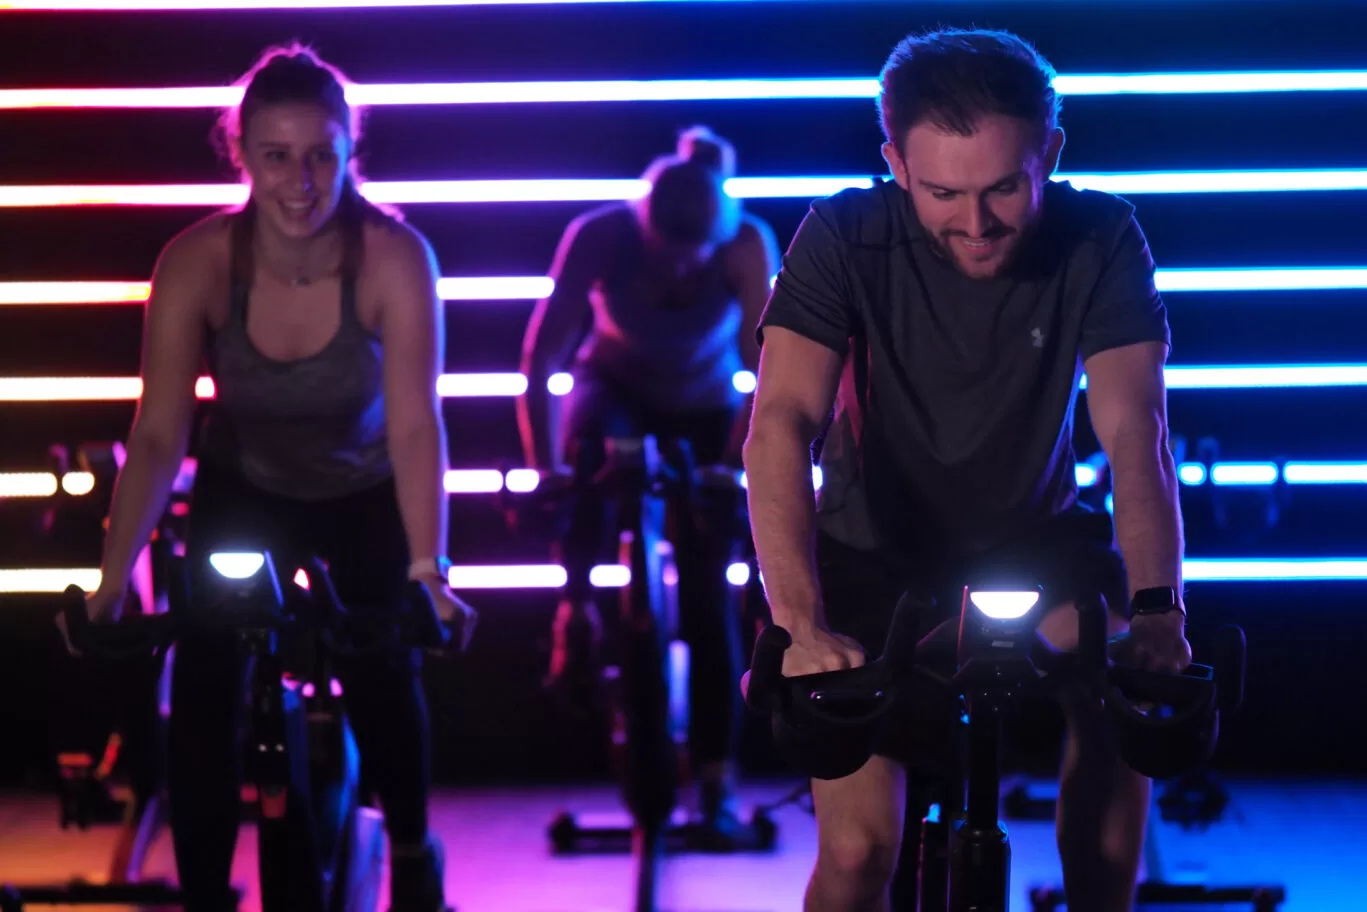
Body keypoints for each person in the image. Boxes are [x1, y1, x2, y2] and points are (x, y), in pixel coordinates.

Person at [743, 28, 1193, 912]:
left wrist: (1156, 614)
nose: (976, 224)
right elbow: (781, 424)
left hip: (1036, 548)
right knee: (861, 848)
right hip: (870, 559)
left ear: (1048, 155)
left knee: (1123, 706)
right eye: (943, 192)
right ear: (895, 164)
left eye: (1001, 189)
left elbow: (1135, 435)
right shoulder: (843, 231)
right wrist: (799, 625)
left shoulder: (1101, 235)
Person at [59, 44, 475, 912]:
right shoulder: (197, 261)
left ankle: (410, 853)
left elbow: (412, 425)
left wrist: (427, 572)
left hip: (363, 493)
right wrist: (110, 581)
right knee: (205, 687)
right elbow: (163, 427)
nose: (301, 180)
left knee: (383, 673)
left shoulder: (395, 258)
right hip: (246, 488)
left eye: (323, 154)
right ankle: (209, 895)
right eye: (277, 155)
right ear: (240, 152)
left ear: (350, 152)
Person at [516, 126, 778, 838]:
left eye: (694, 257)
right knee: (586, 455)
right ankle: (575, 607)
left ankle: (719, 777)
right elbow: (542, 359)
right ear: (643, 228)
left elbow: (771, 368)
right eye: (666, 253)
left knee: (706, 592)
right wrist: (548, 472)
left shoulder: (746, 243)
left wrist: (731, 463)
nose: (679, 270)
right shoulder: (599, 235)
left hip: (703, 404)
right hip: (617, 388)